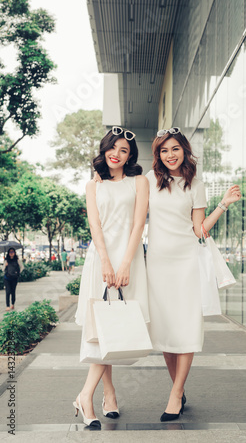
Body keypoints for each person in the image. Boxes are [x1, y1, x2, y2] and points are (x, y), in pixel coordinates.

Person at [145, 127, 241, 421]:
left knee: (186, 327)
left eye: (175, 149)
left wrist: (223, 204)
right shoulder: (149, 181)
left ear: (184, 150)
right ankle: (179, 386)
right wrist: (99, 179)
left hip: (186, 262)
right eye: (164, 150)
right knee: (165, 331)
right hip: (157, 264)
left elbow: (199, 230)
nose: (170, 155)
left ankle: (176, 395)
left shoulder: (195, 185)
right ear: (158, 155)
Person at [74, 126, 149, 428]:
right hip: (100, 260)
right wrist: (105, 262)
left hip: (129, 259)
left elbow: (138, 224)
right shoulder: (94, 186)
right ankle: (92, 395)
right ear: (104, 149)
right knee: (101, 328)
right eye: (113, 148)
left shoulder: (139, 182)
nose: (116, 155)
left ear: (130, 156)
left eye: (124, 151)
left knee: (117, 326)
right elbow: (95, 227)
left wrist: (126, 263)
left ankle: (106, 394)